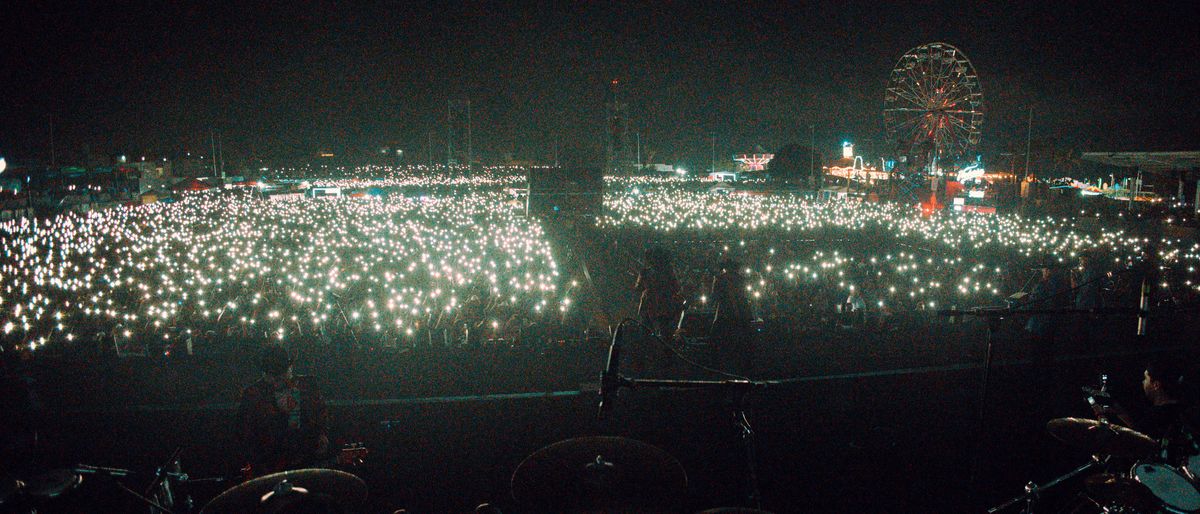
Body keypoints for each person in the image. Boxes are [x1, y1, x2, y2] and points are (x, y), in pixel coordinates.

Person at [237, 345, 331, 479]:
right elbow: (244, 432)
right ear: (265, 373)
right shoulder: (253, 394)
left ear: (289, 369)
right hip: (267, 466)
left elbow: (321, 415)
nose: (276, 379)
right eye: (272, 375)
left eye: (280, 374)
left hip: (305, 460)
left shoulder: (307, 386)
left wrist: (322, 435)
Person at [710, 258, 754, 374]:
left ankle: (719, 365)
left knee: (721, 338)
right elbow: (745, 295)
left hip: (725, 313)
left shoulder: (719, 279)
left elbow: (715, 297)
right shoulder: (741, 279)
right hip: (741, 313)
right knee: (743, 339)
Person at [634, 247, 682, 338]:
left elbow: (638, 288)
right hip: (663, 305)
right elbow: (676, 288)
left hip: (650, 304)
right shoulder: (668, 271)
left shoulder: (645, 272)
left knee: (646, 332)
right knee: (664, 333)